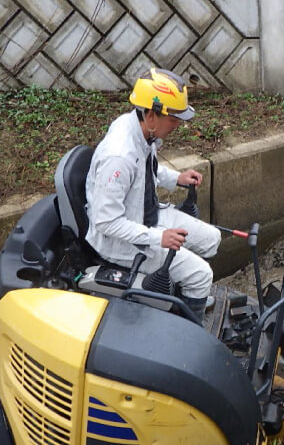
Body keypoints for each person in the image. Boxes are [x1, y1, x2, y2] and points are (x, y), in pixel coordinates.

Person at [84, 68, 220, 323]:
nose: (179, 124)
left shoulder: (141, 130)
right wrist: (159, 237)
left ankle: (190, 293)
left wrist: (176, 179)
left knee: (212, 239)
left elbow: (146, 171)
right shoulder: (119, 157)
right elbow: (106, 222)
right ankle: (191, 331)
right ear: (151, 114)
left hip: (147, 215)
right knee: (201, 274)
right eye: (174, 118)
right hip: (121, 240)